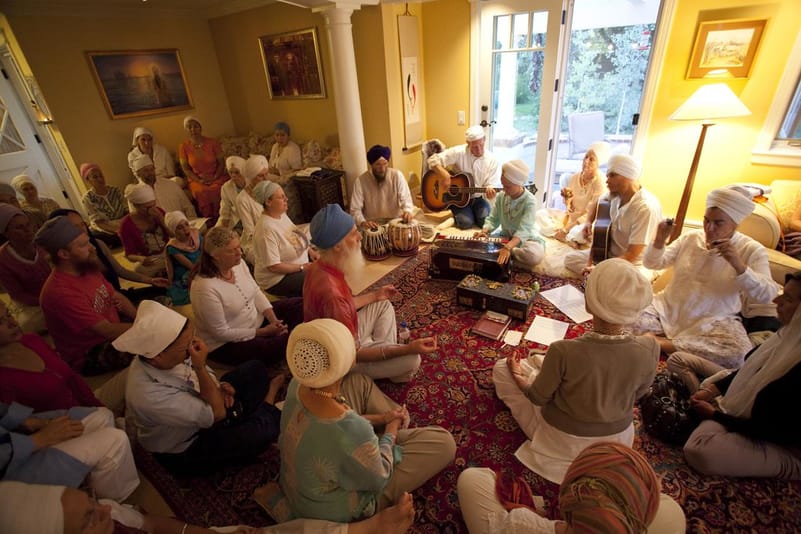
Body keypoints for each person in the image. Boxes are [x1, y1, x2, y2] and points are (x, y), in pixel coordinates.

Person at [493, 258, 658, 483]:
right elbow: (638, 395)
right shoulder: (650, 348)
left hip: (561, 441)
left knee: (502, 369)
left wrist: (518, 374)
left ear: (589, 304)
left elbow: (537, 397)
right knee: (542, 366)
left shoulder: (563, 350)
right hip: (616, 441)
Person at [275, 319, 456, 523]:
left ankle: (389, 430)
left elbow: (336, 431)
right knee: (444, 442)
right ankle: (393, 430)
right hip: (333, 511)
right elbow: (380, 476)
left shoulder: (297, 385)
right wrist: (391, 429)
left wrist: (381, 418)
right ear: (347, 360)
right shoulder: (354, 430)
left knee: (358, 383)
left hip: (301, 483)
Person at [632, 187, 778, 383]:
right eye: (706, 220)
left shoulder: (751, 250)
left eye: (718, 223)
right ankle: (676, 343)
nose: (709, 228)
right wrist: (659, 240)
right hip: (668, 308)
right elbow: (653, 263)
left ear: (735, 224)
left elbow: (767, 294)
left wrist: (738, 265)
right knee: (622, 315)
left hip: (714, 320)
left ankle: (661, 343)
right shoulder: (691, 238)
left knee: (738, 354)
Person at [123, 300, 285, 474]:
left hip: (208, 403)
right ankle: (268, 400)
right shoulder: (148, 396)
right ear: (159, 356)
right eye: (187, 348)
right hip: (188, 443)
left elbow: (201, 374)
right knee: (263, 433)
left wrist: (221, 386)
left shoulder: (167, 355)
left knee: (255, 368)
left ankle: (246, 416)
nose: (194, 349)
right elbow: (218, 413)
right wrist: (200, 367)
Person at [682, 271, 801, 479]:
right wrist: (712, 390)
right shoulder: (788, 334)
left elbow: (770, 428)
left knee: (700, 449)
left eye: (788, 299)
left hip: (780, 440)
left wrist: (715, 415)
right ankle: (712, 412)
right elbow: (749, 371)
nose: (776, 300)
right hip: (747, 409)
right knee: (679, 361)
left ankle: (790, 467)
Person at [303, 204, 437, 382]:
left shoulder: (321, 266)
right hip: (343, 361)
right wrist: (408, 349)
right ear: (337, 246)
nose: (360, 236)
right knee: (413, 360)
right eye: (353, 233)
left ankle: (383, 352)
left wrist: (375, 296)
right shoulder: (332, 295)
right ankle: (387, 365)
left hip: (348, 336)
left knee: (382, 303)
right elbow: (353, 354)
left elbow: (347, 303)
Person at [0, 480, 415, 534]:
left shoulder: (111, 513)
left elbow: (146, 520)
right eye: (89, 516)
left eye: (92, 501)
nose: (104, 509)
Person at [457, 442, 686, 533]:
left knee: (472, 478)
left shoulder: (520, 524)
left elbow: (538, 394)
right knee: (668, 509)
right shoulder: (674, 521)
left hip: (557, 435)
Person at [190, 226, 303, 367]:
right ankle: (288, 339)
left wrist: (274, 321)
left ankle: (287, 334)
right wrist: (263, 332)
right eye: (231, 251)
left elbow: (255, 292)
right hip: (227, 343)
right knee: (283, 343)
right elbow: (221, 333)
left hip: (257, 320)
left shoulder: (239, 264)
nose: (239, 253)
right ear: (215, 256)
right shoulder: (204, 288)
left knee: (300, 304)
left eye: (238, 247)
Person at [36, 216, 136, 375]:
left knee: (160, 308)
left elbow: (116, 296)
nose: (92, 248)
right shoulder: (60, 293)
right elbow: (107, 331)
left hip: (112, 329)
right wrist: (146, 327)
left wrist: (139, 318)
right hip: (90, 352)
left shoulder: (86, 266)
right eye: (83, 245)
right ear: (64, 254)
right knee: (151, 348)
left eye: (88, 241)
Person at [0, 402, 138, 500]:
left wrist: (32, 423)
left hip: (13, 437)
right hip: (8, 476)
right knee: (116, 440)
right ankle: (109, 503)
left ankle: (97, 481)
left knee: (103, 416)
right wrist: (38, 439)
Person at [564, 153, 662, 278]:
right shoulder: (614, 194)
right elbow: (598, 202)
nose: (607, 180)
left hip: (632, 264)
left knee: (620, 285)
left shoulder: (645, 207)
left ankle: (600, 277)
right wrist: (589, 221)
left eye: (613, 175)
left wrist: (600, 269)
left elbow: (632, 254)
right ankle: (598, 276)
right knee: (570, 259)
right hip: (608, 255)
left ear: (629, 176)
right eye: (607, 175)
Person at [50, 208, 169, 305]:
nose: (82, 230)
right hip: (101, 305)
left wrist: (152, 280)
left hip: (117, 295)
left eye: (82, 224)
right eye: (75, 227)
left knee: (163, 291)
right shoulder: (66, 264)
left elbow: (120, 271)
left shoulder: (98, 244)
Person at [0, 300, 102, 412]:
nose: (13, 323)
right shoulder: (3, 378)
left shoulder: (32, 340)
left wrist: (98, 407)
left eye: (9, 314)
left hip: (90, 405)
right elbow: (24, 422)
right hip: (67, 423)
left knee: (125, 379)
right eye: (0, 322)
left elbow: (72, 378)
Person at [473, 160, 545, 271]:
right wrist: (484, 231)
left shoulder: (530, 201)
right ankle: (503, 250)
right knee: (481, 244)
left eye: (508, 187)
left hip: (526, 239)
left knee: (534, 256)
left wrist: (508, 247)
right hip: (505, 236)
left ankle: (508, 251)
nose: (504, 190)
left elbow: (524, 230)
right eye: (503, 186)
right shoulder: (502, 196)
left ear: (519, 184)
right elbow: (493, 219)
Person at [426, 125, 501, 229]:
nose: (479, 149)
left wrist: (490, 192)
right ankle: (458, 215)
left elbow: (491, 184)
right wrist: (445, 175)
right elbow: (432, 160)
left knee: (485, 223)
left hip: (478, 198)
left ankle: (467, 214)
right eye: (474, 147)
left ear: (484, 139)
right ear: (468, 143)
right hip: (459, 199)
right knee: (465, 223)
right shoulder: (459, 152)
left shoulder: (492, 160)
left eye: (481, 145)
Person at [253, 180, 318, 297]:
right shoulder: (265, 229)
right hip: (278, 279)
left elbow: (296, 235)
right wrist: (302, 267)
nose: (286, 199)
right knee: (320, 280)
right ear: (268, 201)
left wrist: (310, 251)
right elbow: (274, 266)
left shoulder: (281, 215)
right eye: (281, 197)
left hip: (299, 265)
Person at [537, 142, 609, 245]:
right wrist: (567, 201)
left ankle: (564, 235)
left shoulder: (600, 183)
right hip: (570, 218)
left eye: (591, 159)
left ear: (598, 164)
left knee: (581, 234)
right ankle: (566, 237)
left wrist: (566, 229)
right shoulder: (575, 177)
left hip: (585, 223)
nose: (586, 161)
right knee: (540, 214)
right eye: (586, 157)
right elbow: (569, 206)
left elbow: (590, 214)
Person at [0, 204, 50, 333]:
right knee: (27, 324)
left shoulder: (42, 243)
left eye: (28, 224)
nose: (28, 230)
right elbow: (18, 294)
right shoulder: (3, 259)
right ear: (6, 233)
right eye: (19, 228)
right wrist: (47, 300)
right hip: (33, 304)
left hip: (58, 291)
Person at [350, 144, 415, 229]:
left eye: (385, 163)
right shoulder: (360, 181)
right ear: (371, 164)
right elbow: (355, 209)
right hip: (373, 227)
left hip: (396, 224)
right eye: (378, 165)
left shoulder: (397, 176)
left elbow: (406, 199)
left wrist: (407, 211)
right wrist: (362, 222)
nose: (382, 169)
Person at [178, 115, 227, 218]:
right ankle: (209, 220)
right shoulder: (183, 147)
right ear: (186, 129)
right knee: (201, 191)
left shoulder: (213, 142)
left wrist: (215, 177)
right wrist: (199, 180)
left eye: (195, 126)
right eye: (189, 127)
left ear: (200, 127)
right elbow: (186, 169)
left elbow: (221, 163)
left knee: (219, 189)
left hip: (216, 176)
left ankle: (223, 216)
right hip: (197, 180)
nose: (193, 129)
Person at [130, 152, 200, 222]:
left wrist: (192, 221)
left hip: (184, 225)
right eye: (146, 170)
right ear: (138, 174)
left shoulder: (171, 184)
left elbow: (188, 206)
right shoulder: (136, 195)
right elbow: (137, 220)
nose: (150, 173)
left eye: (152, 169)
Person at [119, 183, 168, 278]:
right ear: (135, 205)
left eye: (153, 205)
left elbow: (175, 235)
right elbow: (129, 255)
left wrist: (161, 220)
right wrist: (141, 259)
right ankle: (166, 271)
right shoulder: (126, 225)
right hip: (153, 259)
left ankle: (165, 271)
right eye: (147, 207)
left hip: (170, 251)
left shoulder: (159, 212)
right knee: (138, 269)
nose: (151, 210)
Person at [79, 163, 126, 247]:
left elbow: (126, 212)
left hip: (122, 222)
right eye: (95, 177)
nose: (100, 179)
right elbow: (99, 223)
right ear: (88, 180)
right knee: (95, 237)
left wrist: (126, 226)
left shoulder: (115, 190)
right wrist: (118, 231)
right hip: (104, 228)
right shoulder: (87, 198)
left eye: (101, 175)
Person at [236, 154, 271, 264]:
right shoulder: (242, 199)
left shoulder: (270, 189)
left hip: (276, 232)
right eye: (260, 176)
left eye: (266, 174)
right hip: (255, 242)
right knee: (268, 260)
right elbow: (250, 232)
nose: (265, 178)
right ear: (251, 177)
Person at [164, 211, 203, 306]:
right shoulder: (173, 246)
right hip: (188, 272)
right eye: (180, 228)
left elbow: (205, 253)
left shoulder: (196, 234)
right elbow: (191, 266)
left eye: (186, 224)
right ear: (174, 231)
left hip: (202, 265)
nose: (186, 230)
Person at [216, 155, 247, 230]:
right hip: (236, 219)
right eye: (231, 172)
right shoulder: (226, 187)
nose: (233, 175)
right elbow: (225, 208)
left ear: (243, 170)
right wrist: (223, 227)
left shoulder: (253, 183)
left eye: (237, 172)